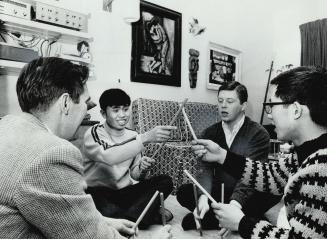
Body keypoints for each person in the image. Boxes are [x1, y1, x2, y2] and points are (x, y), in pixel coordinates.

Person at [0, 57, 172, 239]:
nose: (86, 111)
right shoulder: (52, 152)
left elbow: (51, 209)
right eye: (85, 103)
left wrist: (102, 221)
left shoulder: (7, 124)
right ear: (65, 103)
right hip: (101, 193)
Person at [192, 66, 327, 239]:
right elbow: (271, 176)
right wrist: (222, 156)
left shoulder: (321, 167)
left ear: (295, 110)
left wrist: (242, 223)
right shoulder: (305, 154)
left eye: (271, 106)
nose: (269, 115)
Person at [177, 81, 280, 231]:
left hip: (247, 192)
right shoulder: (209, 133)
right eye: (220, 101)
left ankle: (217, 219)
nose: (223, 105)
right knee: (184, 192)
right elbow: (204, 169)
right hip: (220, 191)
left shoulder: (259, 133)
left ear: (243, 105)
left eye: (230, 101)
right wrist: (203, 197)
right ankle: (246, 219)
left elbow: (251, 177)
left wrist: (234, 206)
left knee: (274, 191)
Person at [83, 88, 175, 229]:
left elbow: (135, 174)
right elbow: (109, 156)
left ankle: (131, 216)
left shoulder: (133, 135)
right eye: (116, 110)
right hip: (98, 192)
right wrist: (146, 137)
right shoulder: (94, 132)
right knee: (98, 204)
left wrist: (141, 168)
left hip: (123, 193)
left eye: (126, 109)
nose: (123, 115)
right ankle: (142, 215)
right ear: (103, 113)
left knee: (165, 181)